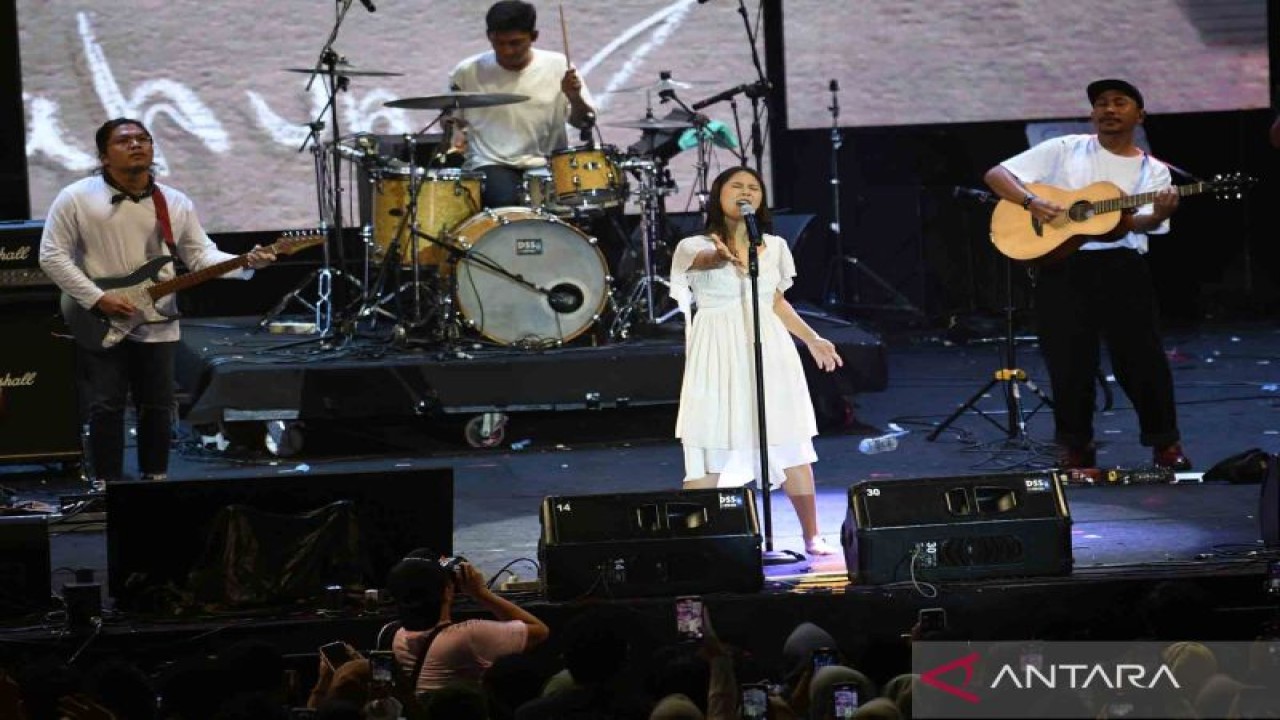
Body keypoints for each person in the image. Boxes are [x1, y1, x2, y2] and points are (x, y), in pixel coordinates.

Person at [39, 118, 276, 484]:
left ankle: (156, 481)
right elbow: (52, 256)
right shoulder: (76, 197)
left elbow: (201, 257)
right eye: (124, 140)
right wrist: (98, 299)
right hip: (100, 316)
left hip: (158, 317)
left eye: (143, 139)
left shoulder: (174, 202)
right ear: (103, 156)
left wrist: (245, 263)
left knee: (158, 405)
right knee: (106, 404)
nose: (136, 144)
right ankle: (106, 486)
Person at [983, 79, 1190, 471]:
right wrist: (1031, 201)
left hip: (1122, 266)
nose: (1109, 109)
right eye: (1101, 103)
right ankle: (1075, 446)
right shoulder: (1064, 148)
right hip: (1062, 266)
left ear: (1139, 115)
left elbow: (1141, 223)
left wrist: (1159, 214)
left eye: (1119, 102)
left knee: (1142, 360)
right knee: (1068, 362)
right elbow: (996, 175)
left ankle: (1165, 443)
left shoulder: (1154, 170)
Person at [669, 166, 844, 556]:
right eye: (737, 185)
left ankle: (811, 536)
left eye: (753, 187)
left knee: (789, 438)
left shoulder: (776, 247)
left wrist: (813, 339)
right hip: (717, 349)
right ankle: (694, 541)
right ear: (718, 195)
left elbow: (777, 302)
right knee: (710, 438)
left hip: (769, 346)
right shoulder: (694, 244)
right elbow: (700, 263)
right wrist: (720, 255)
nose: (746, 191)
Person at [448, 0, 597, 209]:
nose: (507, 51)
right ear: (489, 36)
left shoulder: (558, 66)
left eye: (515, 43)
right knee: (504, 202)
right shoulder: (467, 71)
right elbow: (453, 121)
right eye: (499, 43)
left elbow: (584, 122)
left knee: (586, 207)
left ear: (533, 37)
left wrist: (574, 97)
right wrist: (455, 134)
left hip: (547, 163)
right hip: (491, 162)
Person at [386, 550, 550, 695]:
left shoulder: (397, 636)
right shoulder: (468, 636)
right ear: (448, 590)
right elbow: (540, 631)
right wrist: (481, 593)